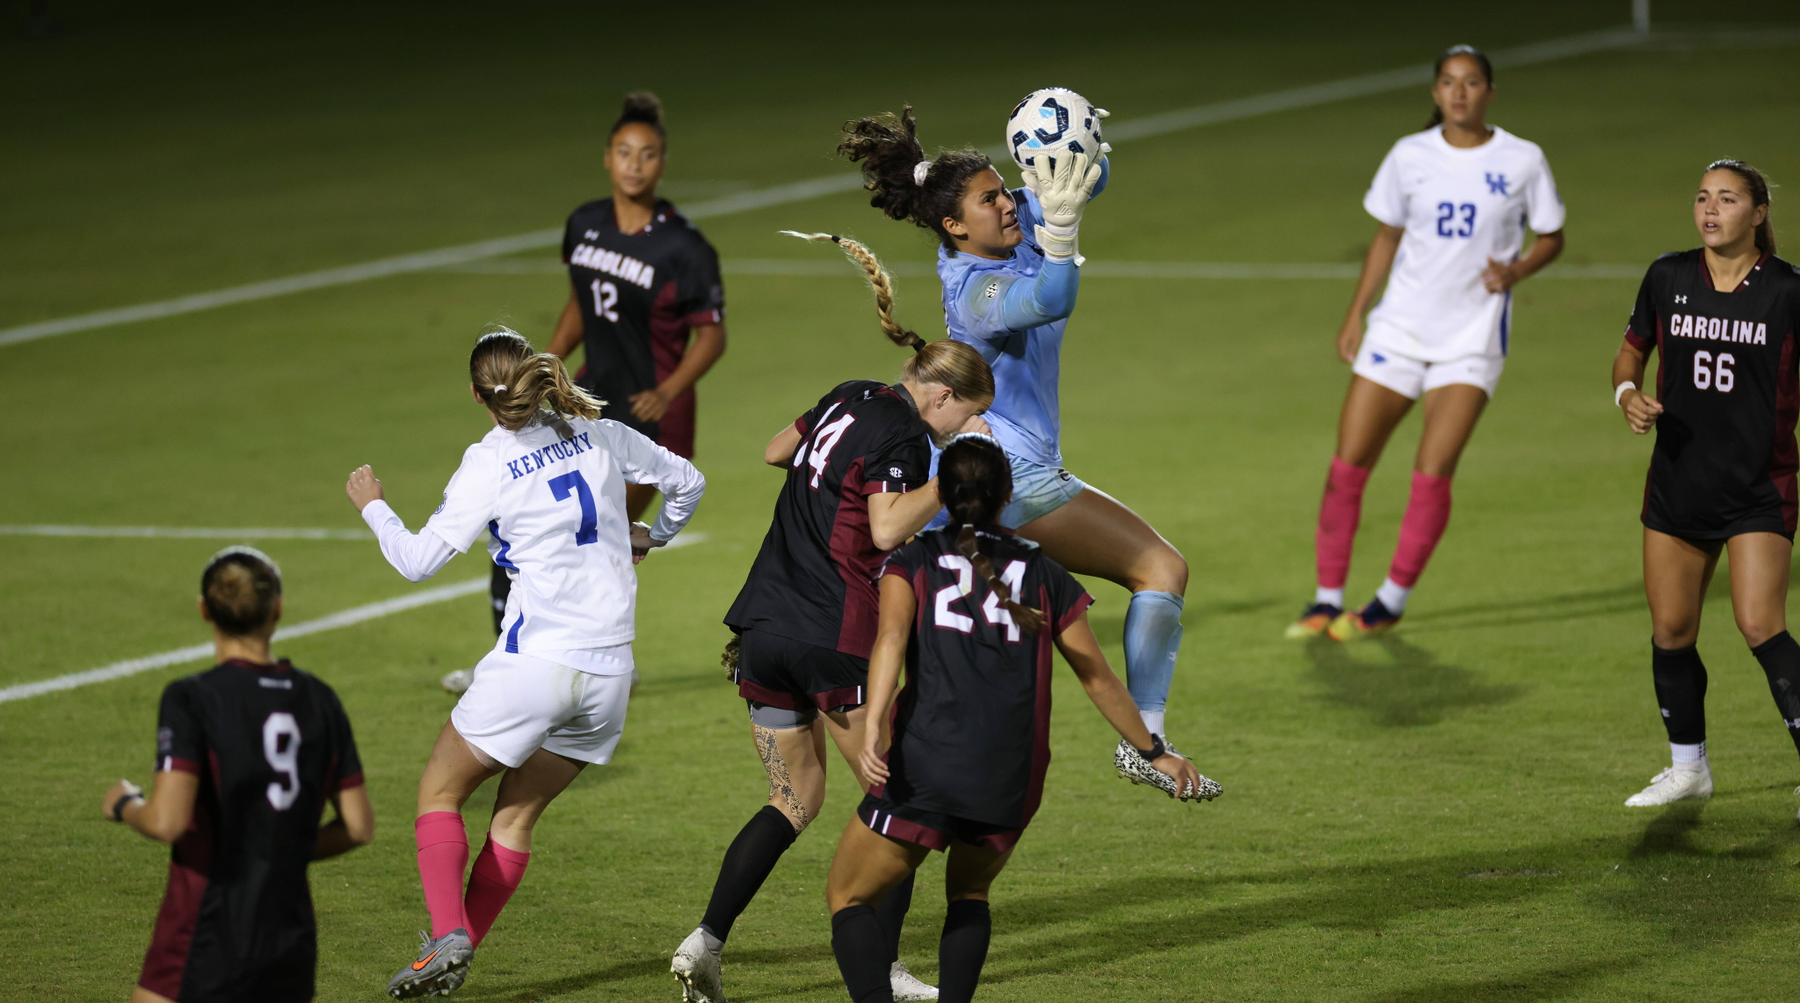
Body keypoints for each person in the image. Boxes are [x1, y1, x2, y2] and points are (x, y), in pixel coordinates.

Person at [670, 235, 993, 1003]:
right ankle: (881, 967)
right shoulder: (913, 438)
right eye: (965, 418)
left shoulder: (850, 393)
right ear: (940, 397)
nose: (959, 430)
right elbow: (884, 529)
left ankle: (704, 941)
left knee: (795, 799)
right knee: (906, 799)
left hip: (763, 628)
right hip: (835, 638)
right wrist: (956, 472)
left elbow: (778, 448)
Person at [346, 326, 704, 998]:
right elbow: (688, 479)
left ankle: (447, 934)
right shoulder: (593, 427)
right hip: (609, 676)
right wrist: (653, 534)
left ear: (479, 395)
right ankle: (455, 951)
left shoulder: (488, 459)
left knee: (439, 792)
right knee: (514, 818)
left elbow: (417, 561)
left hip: (536, 663)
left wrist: (373, 506)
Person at [839, 104, 1195, 772]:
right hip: (1010, 474)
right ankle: (1145, 739)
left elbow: (1086, 176)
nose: (1010, 203)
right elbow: (1052, 298)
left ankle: (904, 744)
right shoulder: (974, 291)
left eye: (1006, 189)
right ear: (952, 225)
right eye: (989, 198)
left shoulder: (1009, 222)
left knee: (975, 643)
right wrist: (1059, 230)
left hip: (995, 470)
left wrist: (1075, 147)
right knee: (1160, 568)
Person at [825, 434, 1217, 1003]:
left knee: (849, 897)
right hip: (1012, 770)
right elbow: (1097, 677)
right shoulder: (1044, 572)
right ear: (1007, 495)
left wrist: (877, 721)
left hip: (929, 758)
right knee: (969, 895)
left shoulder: (911, 561)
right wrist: (1155, 751)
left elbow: (889, 641)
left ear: (942, 494)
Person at [1286, 45, 1567, 642]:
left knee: (1432, 473)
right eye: (1447, 82)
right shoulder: (1409, 155)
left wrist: (1517, 270)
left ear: (1490, 91)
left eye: (1470, 83)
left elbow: (1552, 235)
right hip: (1399, 331)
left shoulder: (1522, 159)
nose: (1459, 93)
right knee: (1346, 467)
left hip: (1471, 340)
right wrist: (1357, 312)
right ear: (1435, 92)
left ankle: (1389, 601)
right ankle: (1326, 601)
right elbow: (1386, 236)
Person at [475, 91, 725, 648]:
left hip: (651, 414)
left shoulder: (684, 247)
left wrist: (669, 389)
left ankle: (582, 657)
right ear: (607, 158)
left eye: (648, 154)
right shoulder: (584, 224)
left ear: (662, 162)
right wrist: (543, 368)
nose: (635, 164)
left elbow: (712, 336)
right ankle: (530, 654)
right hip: (587, 400)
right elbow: (580, 305)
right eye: (624, 152)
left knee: (601, 533)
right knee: (553, 529)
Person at [1610, 159, 1800, 811]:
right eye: (1701, 198)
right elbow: (1632, 347)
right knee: (1671, 629)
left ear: (1759, 212)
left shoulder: (1786, 291)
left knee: (1758, 623)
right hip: (1679, 484)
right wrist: (1627, 391)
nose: (1710, 209)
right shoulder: (1668, 276)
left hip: (1757, 486)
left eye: (1727, 198)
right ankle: (1689, 767)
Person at [102, 546, 373, 1003]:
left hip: (205, 926)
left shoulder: (192, 698)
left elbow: (167, 821)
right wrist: (279, 847)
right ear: (278, 609)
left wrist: (125, 804)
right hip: (290, 934)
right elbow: (358, 827)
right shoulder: (320, 699)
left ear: (204, 610)